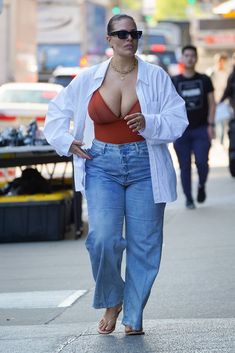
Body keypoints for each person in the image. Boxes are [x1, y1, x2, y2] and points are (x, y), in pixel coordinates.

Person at [44, 14, 188, 335]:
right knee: (102, 240)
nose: (129, 39)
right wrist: (67, 141)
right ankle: (113, 297)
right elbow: (56, 112)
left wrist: (149, 123)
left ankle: (133, 315)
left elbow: (177, 119)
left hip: (144, 166)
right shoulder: (88, 78)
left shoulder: (156, 76)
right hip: (101, 165)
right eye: (121, 34)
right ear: (109, 40)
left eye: (134, 33)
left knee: (144, 245)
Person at [172, 45, 216, 209]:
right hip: (181, 131)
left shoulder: (205, 79)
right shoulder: (175, 81)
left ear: (196, 58)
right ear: (182, 59)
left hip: (201, 129)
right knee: (184, 166)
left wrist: (211, 125)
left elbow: (212, 103)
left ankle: (201, 185)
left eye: (192, 55)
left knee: (202, 162)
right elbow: (168, 106)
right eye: (187, 55)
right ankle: (189, 198)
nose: (190, 58)